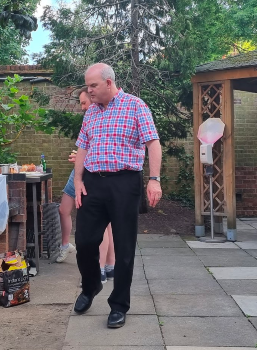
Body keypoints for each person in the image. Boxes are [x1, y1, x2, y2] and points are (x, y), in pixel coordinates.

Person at [71, 63, 162, 328]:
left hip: (124, 183)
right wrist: (77, 180)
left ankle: (119, 305)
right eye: (88, 86)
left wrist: (154, 180)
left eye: (93, 86)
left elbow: (153, 143)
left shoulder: (135, 106)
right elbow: (83, 147)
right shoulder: (91, 113)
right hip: (93, 183)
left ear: (109, 83)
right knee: (85, 241)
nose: (89, 91)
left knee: (123, 247)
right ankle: (90, 287)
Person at [57, 88, 116, 284]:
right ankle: (107, 267)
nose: (83, 107)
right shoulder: (91, 117)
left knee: (102, 224)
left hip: (91, 175)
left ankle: (101, 269)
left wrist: (82, 160)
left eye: (84, 102)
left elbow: (103, 153)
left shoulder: (103, 115)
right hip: (80, 173)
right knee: (101, 223)